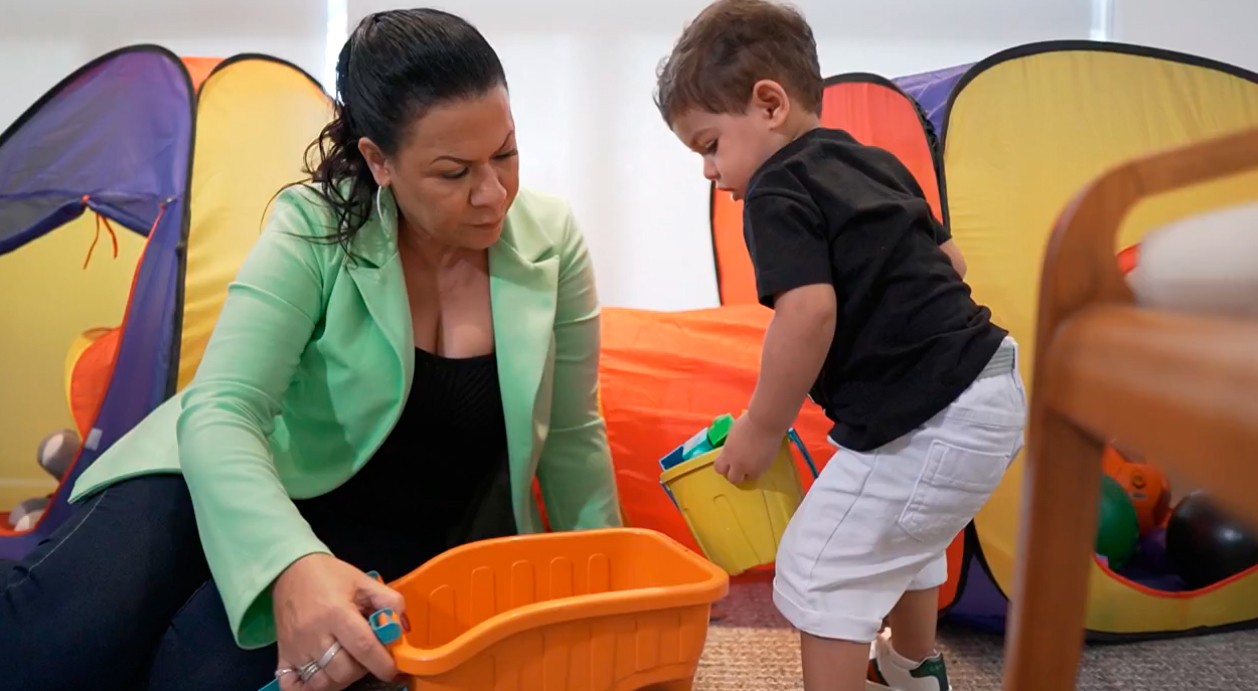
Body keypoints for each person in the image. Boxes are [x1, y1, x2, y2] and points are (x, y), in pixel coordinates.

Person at [0, 9, 621, 691]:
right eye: (453, 171)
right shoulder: (314, 225)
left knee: (195, 675)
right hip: (214, 483)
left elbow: (571, 437)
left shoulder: (550, 241)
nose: (493, 192)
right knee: (55, 647)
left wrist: (619, 588)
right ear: (378, 161)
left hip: (384, 548)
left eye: (505, 153)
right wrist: (290, 561)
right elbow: (223, 409)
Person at [654, 2, 1027, 690]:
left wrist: (762, 428)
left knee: (817, 566)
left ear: (769, 104)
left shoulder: (776, 188)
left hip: (935, 414)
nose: (708, 170)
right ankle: (912, 669)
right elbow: (953, 265)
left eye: (709, 145)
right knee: (897, 538)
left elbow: (809, 312)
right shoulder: (873, 160)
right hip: (992, 384)